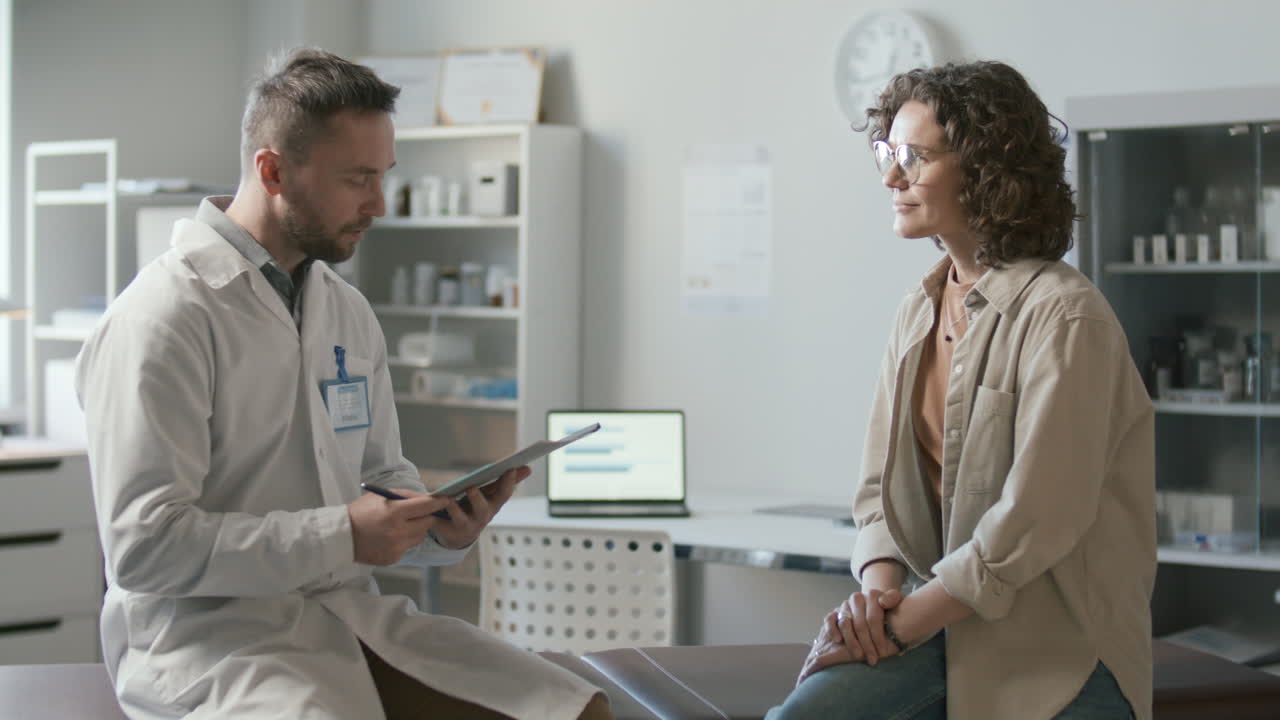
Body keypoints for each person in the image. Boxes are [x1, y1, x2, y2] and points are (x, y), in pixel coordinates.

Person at [76, 48, 611, 720]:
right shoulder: (163, 317)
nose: (378, 204)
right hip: (210, 639)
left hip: (342, 613)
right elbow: (143, 547)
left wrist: (439, 525)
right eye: (357, 179)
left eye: (383, 176)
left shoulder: (343, 309)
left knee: (576, 710)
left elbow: (384, 473)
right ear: (272, 170)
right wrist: (341, 536)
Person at [767, 61, 1155, 719]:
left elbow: (1035, 520)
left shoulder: (1065, 315)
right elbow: (877, 494)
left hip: (1058, 651)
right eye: (887, 154)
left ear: (987, 169)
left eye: (913, 157)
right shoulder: (917, 308)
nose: (891, 178)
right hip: (938, 621)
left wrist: (898, 627)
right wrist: (874, 599)